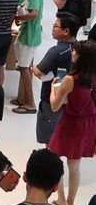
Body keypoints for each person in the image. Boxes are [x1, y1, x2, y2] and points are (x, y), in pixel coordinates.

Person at [48, 40, 96, 205]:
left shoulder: (69, 80)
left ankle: (60, 199)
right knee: (75, 165)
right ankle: (70, 204)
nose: (72, 53)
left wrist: (54, 88)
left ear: (82, 57)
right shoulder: (92, 77)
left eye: (75, 51)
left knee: (54, 158)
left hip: (71, 122)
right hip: (89, 123)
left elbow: (54, 106)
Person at [33, 12, 78, 146]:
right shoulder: (79, 48)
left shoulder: (57, 51)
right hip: (69, 100)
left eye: (55, 26)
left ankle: (48, 164)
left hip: (52, 99)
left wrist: (33, 66)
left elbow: (38, 71)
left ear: (66, 31)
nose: (52, 28)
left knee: (50, 140)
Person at [12, 0, 43, 114]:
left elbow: (33, 14)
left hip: (30, 35)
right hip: (25, 32)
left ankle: (30, 103)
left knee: (24, 68)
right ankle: (24, 98)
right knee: (24, 67)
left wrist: (18, 17)